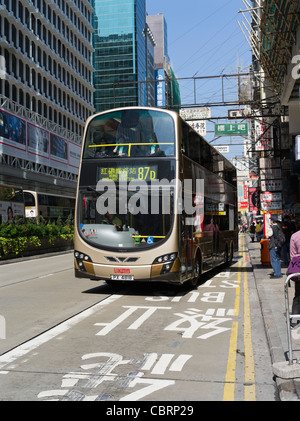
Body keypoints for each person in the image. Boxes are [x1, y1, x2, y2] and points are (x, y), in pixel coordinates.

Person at [288, 218, 300, 324]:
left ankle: (295, 320)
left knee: (298, 295)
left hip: (299, 269)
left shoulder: (294, 236)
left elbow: (292, 256)